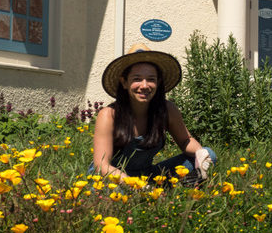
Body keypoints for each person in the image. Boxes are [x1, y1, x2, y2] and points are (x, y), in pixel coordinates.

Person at [91, 43, 215, 186]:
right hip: (113, 178)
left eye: (151, 79)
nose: (144, 85)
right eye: (137, 79)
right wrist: (135, 185)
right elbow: (101, 166)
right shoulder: (109, 115)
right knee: (110, 189)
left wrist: (200, 153)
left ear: (158, 82)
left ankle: (181, 191)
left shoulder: (167, 109)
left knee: (209, 154)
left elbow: (185, 141)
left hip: (147, 175)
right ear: (124, 82)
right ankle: (155, 193)